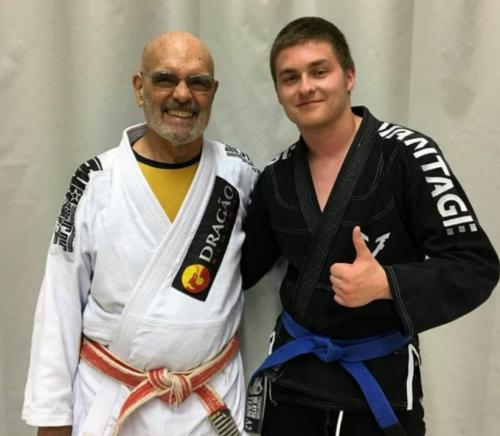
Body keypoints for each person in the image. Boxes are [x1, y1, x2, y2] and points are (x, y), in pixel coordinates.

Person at [241, 17, 499, 436]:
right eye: (290, 77)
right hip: (293, 387)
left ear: (349, 76)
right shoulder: (276, 178)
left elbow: (475, 265)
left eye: (319, 71)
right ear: (278, 92)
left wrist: (387, 283)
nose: (305, 87)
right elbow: (239, 269)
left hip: (380, 386)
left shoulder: (408, 155)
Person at [22, 31, 257, 436]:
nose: (182, 94)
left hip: (212, 404)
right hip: (115, 403)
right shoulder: (96, 180)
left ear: (213, 92)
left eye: (197, 82)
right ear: (139, 87)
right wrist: (52, 418)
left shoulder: (238, 175)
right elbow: (59, 301)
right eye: (165, 79)